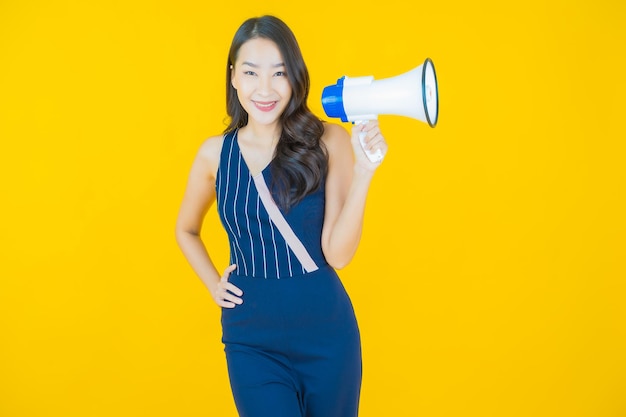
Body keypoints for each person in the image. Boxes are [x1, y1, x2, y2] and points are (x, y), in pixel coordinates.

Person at [175, 14, 388, 417]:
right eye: (252, 73)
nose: (265, 88)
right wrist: (211, 284)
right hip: (251, 339)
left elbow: (338, 255)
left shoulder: (328, 140)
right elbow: (186, 229)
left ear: (295, 77)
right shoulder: (214, 155)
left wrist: (364, 170)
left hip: (327, 334)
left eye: (279, 73)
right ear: (234, 77)